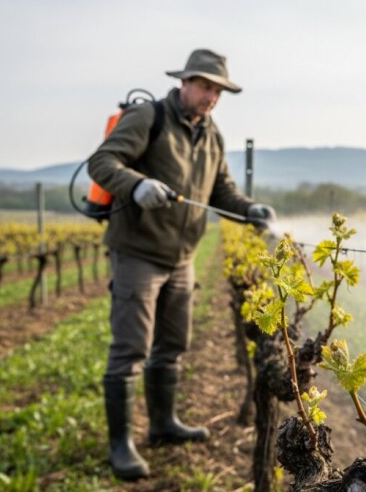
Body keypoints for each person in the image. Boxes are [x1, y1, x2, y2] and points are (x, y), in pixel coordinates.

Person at [87, 48, 275, 480]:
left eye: (218, 91)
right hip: (138, 252)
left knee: (171, 347)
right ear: (185, 83)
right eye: (206, 86)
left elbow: (221, 191)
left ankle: (163, 425)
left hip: (183, 256)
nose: (211, 96)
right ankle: (121, 445)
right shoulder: (148, 117)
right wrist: (136, 185)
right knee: (130, 349)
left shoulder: (212, 134)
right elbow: (102, 162)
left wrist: (250, 210)